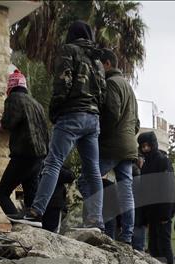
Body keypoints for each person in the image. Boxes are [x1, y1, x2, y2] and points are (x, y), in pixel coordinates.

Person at [26, 21, 105, 231]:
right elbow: (102, 92)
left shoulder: (69, 50)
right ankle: (96, 220)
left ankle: (36, 211)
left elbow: (63, 82)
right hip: (93, 118)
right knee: (93, 171)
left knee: (52, 163)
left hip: (72, 114)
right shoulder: (97, 60)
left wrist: (55, 110)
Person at [0, 69, 49, 223]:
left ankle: (18, 226)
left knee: (2, 193)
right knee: (31, 197)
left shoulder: (13, 99)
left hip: (23, 155)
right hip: (39, 157)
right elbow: (45, 131)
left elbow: (7, 123)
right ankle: (34, 229)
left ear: (10, 87)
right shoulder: (37, 104)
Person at [97, 50, 138, 245]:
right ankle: (127, 235)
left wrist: (100, 135)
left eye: (99, 65)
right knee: (126, 190)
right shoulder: (129, 87)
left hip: (113, 144)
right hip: (129, 145)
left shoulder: (112, 83)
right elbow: (136, 122)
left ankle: (97, 222)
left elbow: (111, 113)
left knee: (88, 179)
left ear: (106, 64)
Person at [136, 131, 175, 264]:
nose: (146, 149)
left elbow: (169, 188)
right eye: (143, 146)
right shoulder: (146, 165)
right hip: (152, 215)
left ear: (153, 145)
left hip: (163, 214)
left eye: (148, 145)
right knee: (153, 248)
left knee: (164, 247)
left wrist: (166, 214)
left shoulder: (163, 161)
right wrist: (144, 217)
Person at [43, 167, 75, 233]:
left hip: (52, 206)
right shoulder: (52, 165)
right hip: (52, 204)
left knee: (51, 233)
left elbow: (71, 176)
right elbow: (70, 176)